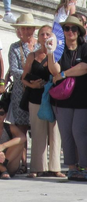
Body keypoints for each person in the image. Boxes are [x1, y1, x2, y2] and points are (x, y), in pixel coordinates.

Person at [49, 15, 87, 181]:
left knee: (79, 132)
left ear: (79, 31)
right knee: (66, 134)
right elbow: (54, 71)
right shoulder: (59, 49)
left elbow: (86, 67)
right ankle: (72, 167)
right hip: (64, 99)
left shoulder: (86, 47)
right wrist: (50, 52)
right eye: (66, 28)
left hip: (85, 98)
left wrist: (64, 74)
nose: (70, 31)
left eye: (74, 28)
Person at [22, 24, 62, 178]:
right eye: (42, 34)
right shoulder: (32, 56)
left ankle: (55, 167)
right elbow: (23, 77)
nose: (45, 37)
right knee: (38, 133)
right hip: (36, 97)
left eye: (48, 34)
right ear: (38, 38)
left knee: (55, 133)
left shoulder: (57, 55)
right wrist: (32, 85)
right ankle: (37, 167)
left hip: (53, 98)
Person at [7, 14, 38, 137]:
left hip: (39, 92)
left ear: (34, 29)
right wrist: (33, 76)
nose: (26, 31)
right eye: (23, 28)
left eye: (28, 28)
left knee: (39, 129)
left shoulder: (40, 46)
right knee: (21, 129)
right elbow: (14, 70)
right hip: (21, 93)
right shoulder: (14, 47)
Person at [0, 110, 24, 177]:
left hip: (8, 163)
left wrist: (3, 146)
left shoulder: (9, 127)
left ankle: (2, 166)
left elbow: (22, 137)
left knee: (20, 143)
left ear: (5, 115)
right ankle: (2, 169)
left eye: (1, 113)